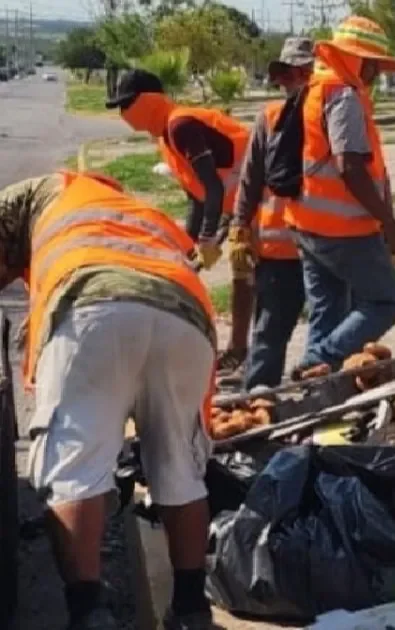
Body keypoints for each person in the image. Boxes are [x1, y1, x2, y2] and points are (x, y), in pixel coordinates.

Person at [0, 172, 217, 630]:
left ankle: (89, 612)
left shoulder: (32, 195)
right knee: (180, 467)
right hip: (186, 317)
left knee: (74, 465)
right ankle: (192, 607)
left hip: (93, 311)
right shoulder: (132, 212)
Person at [104, 70, 254, 376]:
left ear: (148, 100)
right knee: (245, 274)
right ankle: (239, 350)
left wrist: (209, 237)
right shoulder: (166, 137)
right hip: (239, 203)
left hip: (261, 196)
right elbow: (197, 197)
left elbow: (213, 186)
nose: (123, 114)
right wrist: (185, 250)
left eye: (126, 104)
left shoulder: (181, 125)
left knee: (250, 274)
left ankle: (246, 353)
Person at [286, 16, 395, 378]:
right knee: (389, 299)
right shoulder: (342, 95)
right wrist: (388, 221)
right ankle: (316, 361)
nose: (374, 73)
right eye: (371, 64)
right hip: (343, 228)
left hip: (307, 223)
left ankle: (317, 391)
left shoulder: (313, 88)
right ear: (355, 60)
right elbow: (349, 165)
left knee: (327, 312)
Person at [227, 38, 315, 390]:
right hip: (279, 248)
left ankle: (322, 396)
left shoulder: (333, 115)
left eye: (304, 72)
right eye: (291, 73)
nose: (296, 80)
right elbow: (250, 179)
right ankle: (257, 401)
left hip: (328, 247)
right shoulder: (271, 119)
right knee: (269, 331)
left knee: (331, 331)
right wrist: (239, 226)